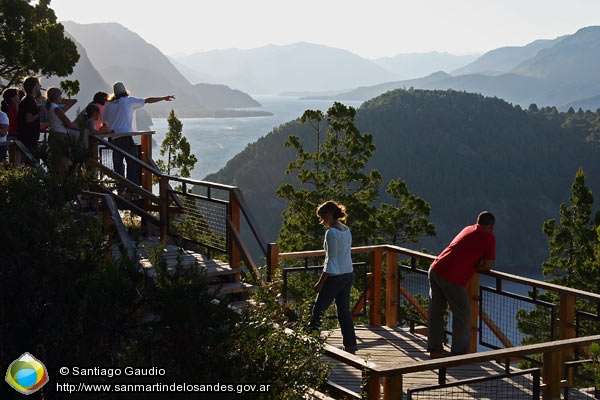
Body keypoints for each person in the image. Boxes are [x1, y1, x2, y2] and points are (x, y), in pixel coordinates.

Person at [427, 211, 496, 358]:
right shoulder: (489, 236)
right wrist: (473, 267)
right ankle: (458, 353)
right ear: (491, 225)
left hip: (435, 269)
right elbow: (487, 266)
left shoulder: (468, 228)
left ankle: (435, 349)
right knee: (463, 313)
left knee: (436, 312)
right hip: (452, 277)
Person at [102, 81, 174, 192]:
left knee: (118, 165)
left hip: (113, 139)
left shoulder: (109, 106)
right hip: (126, 137)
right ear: (125, 91)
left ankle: (121, 190)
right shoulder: (128, 101)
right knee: (132, 163)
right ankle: (131, 190)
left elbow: (104, 124)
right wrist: (163, 98)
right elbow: (147, 100)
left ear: (114, 93)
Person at [308, 200, 358, 354]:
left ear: (328, 215)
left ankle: (309, 343)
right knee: (344, 312)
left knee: (318, 310)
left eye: (322, 217)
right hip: (348, 274)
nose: (321, 221)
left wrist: (320, 282)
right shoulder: (346, 230)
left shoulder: (332, 233)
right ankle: (350, 346)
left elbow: (331, 260)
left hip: (335, 277)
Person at [17, 76, 42, 152]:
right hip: (29, 137)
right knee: (32, 161)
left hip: (28, 136)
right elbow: (29, 119)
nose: (40, 86)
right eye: (38, 84)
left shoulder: (27, 99)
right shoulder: (29, 100)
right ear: (34, 86)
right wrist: (40, 113)